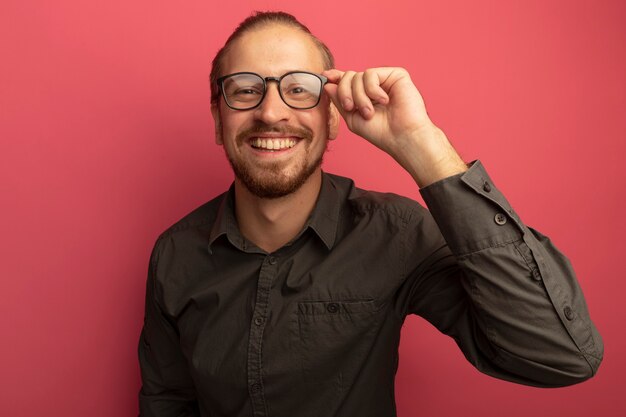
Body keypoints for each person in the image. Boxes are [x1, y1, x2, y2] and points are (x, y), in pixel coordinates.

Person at [138, 11, 603, 417]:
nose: (272, 111)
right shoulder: (174, 254)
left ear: (333, 114)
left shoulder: (396, 234)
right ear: (219, 120)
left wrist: (422, 145)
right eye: (245, 90)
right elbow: (168, 402)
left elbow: (562, 355)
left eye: (299, 88)